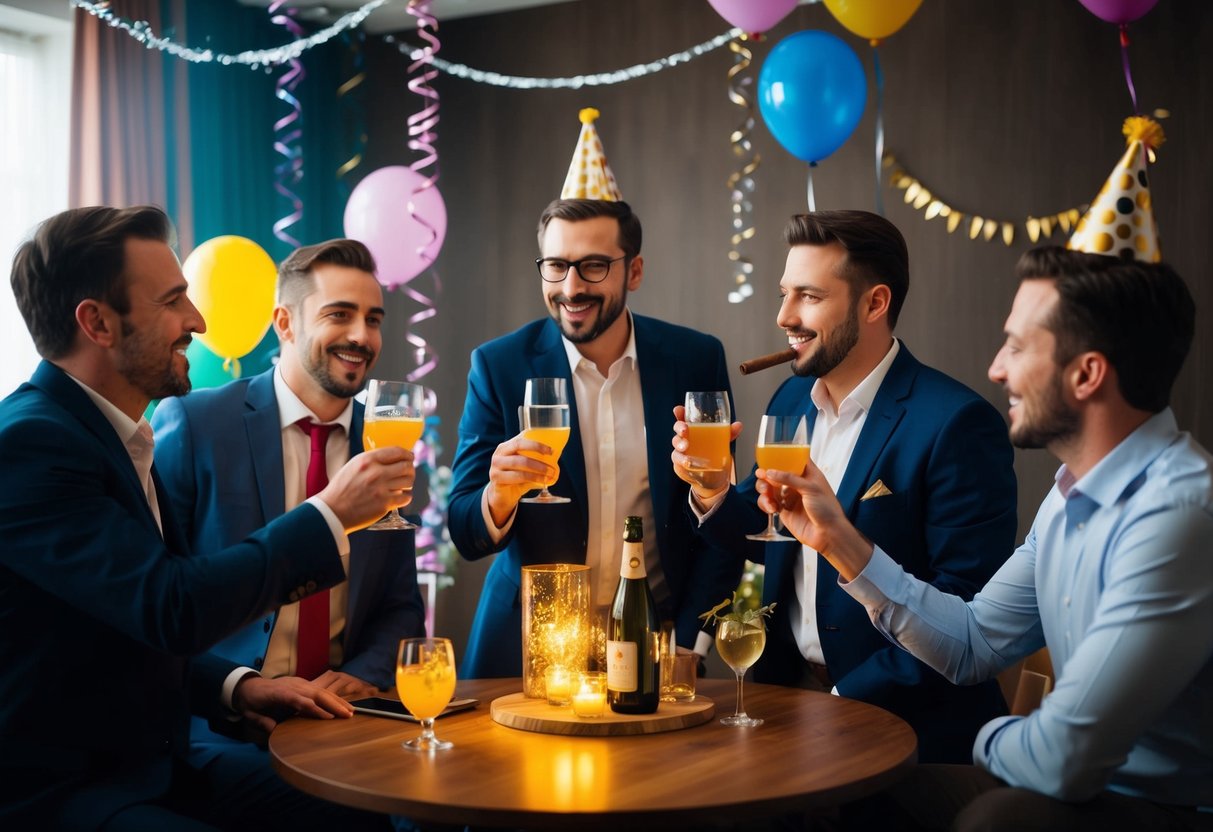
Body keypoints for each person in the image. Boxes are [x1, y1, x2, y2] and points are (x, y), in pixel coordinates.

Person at [763, 247, 1212, 830]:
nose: (997, 368)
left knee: (998, 819)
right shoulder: (1067, 495)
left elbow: (1061, 761)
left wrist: (990, 733)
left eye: (1018, 347)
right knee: (815, 794)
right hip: (1063, 785)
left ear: (1087, 373)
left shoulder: (1176, 516)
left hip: (1160, 807)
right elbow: (973, 644)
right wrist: (841, 542)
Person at [0, 205, 411, 829]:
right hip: (70, 791)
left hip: (159, 765)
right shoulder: (32, 446)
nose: (197, 320)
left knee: (360, 814)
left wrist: (235, 689)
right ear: (97, 323)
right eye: (173, 300)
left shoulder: (114, 437)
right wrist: (330, 514)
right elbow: (173, 606)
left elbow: (126, 627)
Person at [673, 211, 1016, 763]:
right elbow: (763, 534)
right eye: (785, 294)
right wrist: (713, 491)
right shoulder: (790, 402)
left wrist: (841, 703)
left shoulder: (957, 424)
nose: (784, 316)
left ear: (874, 304)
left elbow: (963, 612)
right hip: (785, 708)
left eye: (808, 296)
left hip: (907, 732)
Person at [448, 109, 742, 677]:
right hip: (526, 646)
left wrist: (689, 644)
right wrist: (499, 497)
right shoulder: (499, 366)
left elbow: (718, 522)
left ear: (633, 271)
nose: (571, 287)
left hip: (655, 646)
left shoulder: (695, 358)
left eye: (593, 267)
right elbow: (465, 530)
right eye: (555, 267)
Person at [151, 240, 427, 807]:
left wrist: (361, 675)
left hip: (352, 719)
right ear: (284, 322)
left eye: (373, 320)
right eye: (339, 314)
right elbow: (159, 603)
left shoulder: (388, 441)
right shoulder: (196, 423)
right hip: (227, 727)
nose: (362, 336)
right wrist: (240, 690)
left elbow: (400, 606)